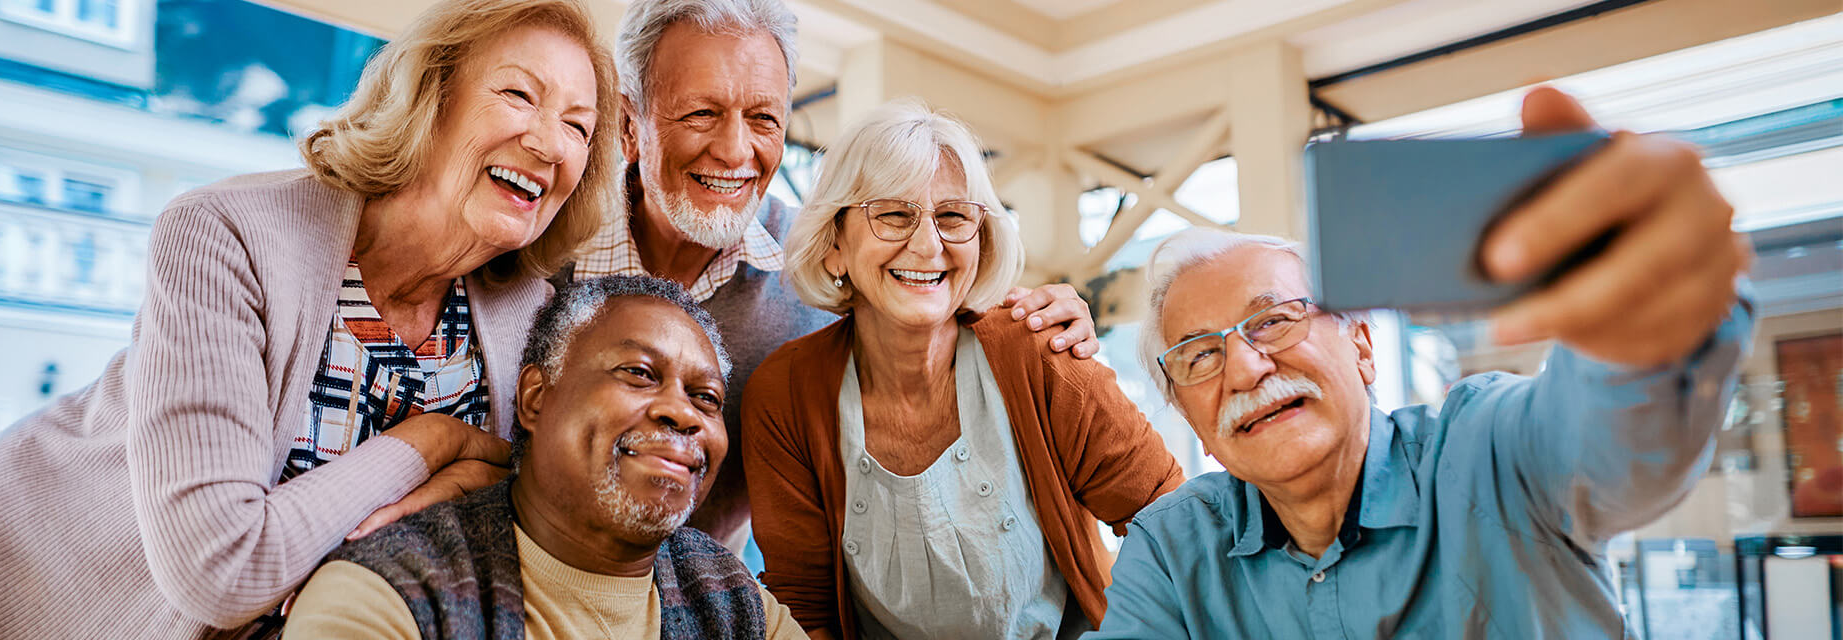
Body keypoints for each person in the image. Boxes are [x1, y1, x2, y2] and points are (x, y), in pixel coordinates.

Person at [0, 0, 623, 636]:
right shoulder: (224, 233)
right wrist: (433, 443)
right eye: (517, 95)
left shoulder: (530, 315)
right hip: (4, 587)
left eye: (578, 128)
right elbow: (223, 570)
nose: (551, 145)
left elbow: (530, 502)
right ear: (430, 97)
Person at [1089, 87, 1754, 638]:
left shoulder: (1490, 454)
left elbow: (1616, 446)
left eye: (1272, 322)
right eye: (1200, 355)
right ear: (1189, 417)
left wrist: (1644, 328)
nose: (1244, 369)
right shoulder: (1175, 545)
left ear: (1363, 344)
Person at [564, 0, 1103, 553]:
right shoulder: (544, 241)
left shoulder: (823, 254)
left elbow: (932, 298)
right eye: (701, 113)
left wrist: (1045, 321)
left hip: (702, 598)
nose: (734, 150)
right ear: (629, 125)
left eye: (763, 119)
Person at [742, 100, 1188, 640]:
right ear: (835, 244)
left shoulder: (1038, 352)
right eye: (892, 214)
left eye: (953, 216)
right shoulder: (783, 394)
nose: (928, 245)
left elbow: (1171, 525)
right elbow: (805, 608)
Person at [284, 275, 808, 640]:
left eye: (707, 398)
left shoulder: (732, 600)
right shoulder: (388, 596)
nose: (682, 413)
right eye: (640, 373)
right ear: (536, 397)